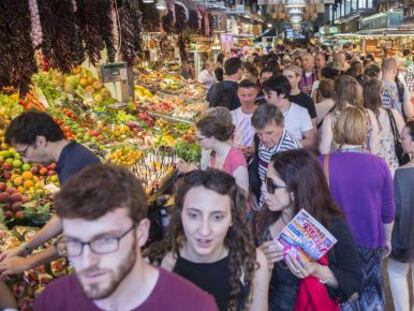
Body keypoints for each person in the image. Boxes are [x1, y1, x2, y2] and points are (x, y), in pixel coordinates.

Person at [33, 164, 218, 311]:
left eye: (105, 240)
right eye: (74, 242)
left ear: (141, 233)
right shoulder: (53, 300)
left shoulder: (194, 306)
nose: (87, 262)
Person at [146, 169, 269, 311]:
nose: (205, 231)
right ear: (180, 215)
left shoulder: (253, 263)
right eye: (193, 215)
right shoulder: (155, 263)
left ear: (232, 219)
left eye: (217, 217)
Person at [256, 149, 362, 311]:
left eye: (271, 185)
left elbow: (353, 285)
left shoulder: (331, 225)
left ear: (296, 188)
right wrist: (258, 259)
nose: (264, 190)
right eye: (264, 181)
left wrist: (317, 271)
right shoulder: (263, 219)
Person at [0, 111, 101, 278]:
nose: (25, 161)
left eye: (24, 153)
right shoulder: (72, 157)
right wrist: (26, 248)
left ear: (41, 141)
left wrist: (28, 262)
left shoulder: (74, 168)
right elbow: (64, 215)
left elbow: (77, 237)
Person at [320, 106, 395, 311]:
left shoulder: (321, 164)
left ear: (338, 129)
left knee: (341, 298)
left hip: (333, 245)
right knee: (370, 297)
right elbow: (388, 210)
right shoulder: (378, 164)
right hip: (369, 242)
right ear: (365, 131)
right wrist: (387, 239)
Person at [177, 113, 249, 195]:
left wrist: (198, 176)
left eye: (200, 139)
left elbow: (243, 195)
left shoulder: (236, 158)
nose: (197, 142)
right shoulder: (215, 153)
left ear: (213, 138)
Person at [249, 104, 301, 210]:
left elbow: (293, 190)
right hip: (263, 202)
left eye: (269, 133)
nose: (264, 139)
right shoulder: (259, 140)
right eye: (259, 134)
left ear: (282, 124)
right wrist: (253, 192)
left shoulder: (291, 150)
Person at [388, 120, 414, 311]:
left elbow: (396, 210)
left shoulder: (401, 174)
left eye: (404, 138)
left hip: (405, 236)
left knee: (397, 273)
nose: (401, 141)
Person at [319, 75, 379, 155]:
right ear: (356, 92)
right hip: (364, 161)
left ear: (336, 93)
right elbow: (374, 147)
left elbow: (324, 150)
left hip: (339, 163)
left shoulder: (330, 118)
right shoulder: (368, 114)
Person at [363, 79, 405, 176]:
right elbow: (404, 135)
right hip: (392, 169)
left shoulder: (361, 116)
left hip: (369, 169)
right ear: (380, 94)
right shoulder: (392, 114)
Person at [263, 75, 316, 150]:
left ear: (282, 95)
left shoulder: (301, 112)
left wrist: (285, 143)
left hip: (291, 158)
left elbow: (311, 141)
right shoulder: (264, 111)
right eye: (264, 94)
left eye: (269, 95)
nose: (265, 97)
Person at [231, 79, 258, 158]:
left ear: (256, 93)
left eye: (250, 95)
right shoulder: (232, 115)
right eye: (243, 95)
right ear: (238, 95)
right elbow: (227, 139)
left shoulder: (263, 114)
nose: (246, 99)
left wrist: (255, 149)